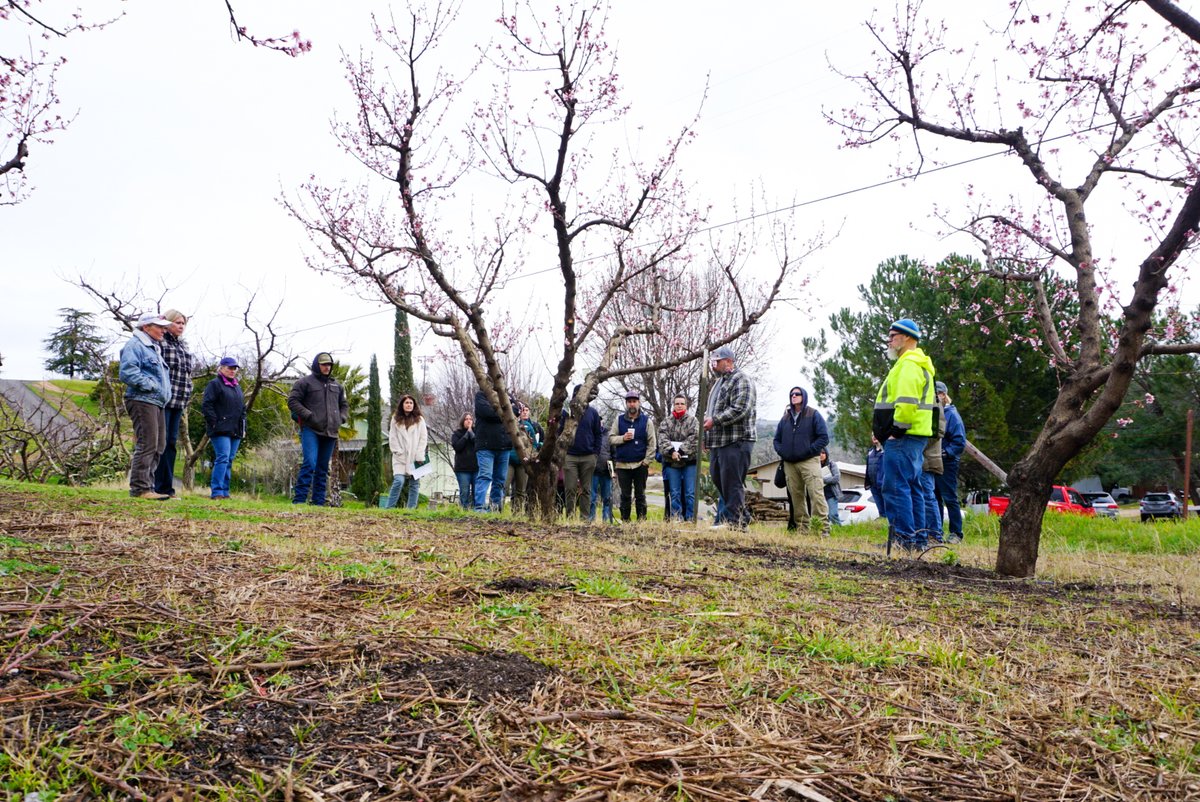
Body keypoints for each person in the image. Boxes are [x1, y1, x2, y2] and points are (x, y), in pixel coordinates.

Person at [872, 319, 937, 554]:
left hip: (903, 437)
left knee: (896, 487)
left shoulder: (908, 364)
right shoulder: (915, 363)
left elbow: (907, 402)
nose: (889, 340)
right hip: (914, 436)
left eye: (892, 335)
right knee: (912, 486)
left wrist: (895, 431)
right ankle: (917, 539)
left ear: (908, 337)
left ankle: (903, 538)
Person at [118, 312, 173, 500]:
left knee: (159, 445)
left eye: (164, 327)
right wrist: (150, 385)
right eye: (159, 327)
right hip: (142, 399)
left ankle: (149, 487)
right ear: (146, 327)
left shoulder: (153, 348)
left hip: (157, 402)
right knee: (147, 443)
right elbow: (127, 372)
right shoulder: (135, 345)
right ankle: (140, 489)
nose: (163, 331)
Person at [704, 345, 757, 529]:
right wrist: (707, 437)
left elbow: (740, 409)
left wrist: (714, 421)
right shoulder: (720, 383)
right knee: (719, 479)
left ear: (728, 361)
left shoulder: (742, 380)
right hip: (719, 442)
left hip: (737, 440)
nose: (713, 366)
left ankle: (734, 522)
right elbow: (710, 411)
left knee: (732, 482)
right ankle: (742, 517)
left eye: (716, 362)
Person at [288, 352, 349, 506]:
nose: (326, 367)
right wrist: (308, 415)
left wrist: (341, 418)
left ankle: (318, 503)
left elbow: (344, 405)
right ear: (317, 365)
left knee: (322, 468)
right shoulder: (304, 383)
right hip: (311, 429)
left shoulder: (337, 386)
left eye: (329, 364)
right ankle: (299, 501)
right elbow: (293, 401)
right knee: (310, 463)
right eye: (323, 364)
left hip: (331, 432)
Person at [772, 386, 830, 535]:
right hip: (789, 463)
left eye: (797, 394)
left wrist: (809, 451)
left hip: (809, 461)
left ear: (803, 396)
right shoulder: (785, 418)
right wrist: (782, 452)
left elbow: (824, 437)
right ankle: (802, 529)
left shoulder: (813, 414)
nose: (794, 396)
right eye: (792, 394)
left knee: (816, 495)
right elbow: (776, 440)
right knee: (796, 498)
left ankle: (821, 529)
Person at [154, 309, 194, 498]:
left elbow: (186, 374)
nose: (180, 326)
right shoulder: (159, 343)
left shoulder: (183, 347)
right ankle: (155, 486)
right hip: (163, 400)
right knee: (159, 442)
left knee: (171, 443)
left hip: (179, 402)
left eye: (183, 323)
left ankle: (166, 488)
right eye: (177, 322)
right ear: (168, 323)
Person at [201, 357, 246, 500]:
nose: (232, 371)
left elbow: (242, 409)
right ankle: (217, 491)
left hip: (235, 429)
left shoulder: (237, 387)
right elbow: (207, 405)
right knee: (223, 458)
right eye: (229, 368)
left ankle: (225, 492)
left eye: (234, 368)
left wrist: (243, 426)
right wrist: (214, 423)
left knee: (229, 459)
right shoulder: (214, 384)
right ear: (221, 368)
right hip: (220, 429)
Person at [610, 390, 657, 522]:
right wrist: (623, 438)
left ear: (639, 403)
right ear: (626, 404)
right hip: (622, 464)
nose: (632, 404)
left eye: (634, 401)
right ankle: (625, 521)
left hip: (640, 464)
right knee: (625, 495)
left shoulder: (647, 421)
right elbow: (611, 439)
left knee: (640, 495)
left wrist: (647, 461)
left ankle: (641, 521)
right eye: (629, 402)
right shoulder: (618, 420)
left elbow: (652, 443)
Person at [473, 389, 520, 512]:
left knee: (500, 479)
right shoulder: (482, 395)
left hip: (504, 446)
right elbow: (486, 413)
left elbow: (516, 410)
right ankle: (480, 508)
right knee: (485, 476)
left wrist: (500, 411)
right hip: (485, 445)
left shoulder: (507, 396)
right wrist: (505, 412)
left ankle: (495, 508)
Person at [563, 383, 604, 517]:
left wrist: (595, 454)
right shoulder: (568, 412)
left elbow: (598, 434)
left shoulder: (593, 413)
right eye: (577, 394)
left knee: (586, 489)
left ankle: (585, 519)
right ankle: (570, 516)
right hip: (570, 456)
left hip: (588, 456)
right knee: (570, 488)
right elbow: (559, 432)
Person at [658, 394, 699, 521]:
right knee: (674, 493)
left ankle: (690, 518)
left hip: (689, 462)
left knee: (690, 493)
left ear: (686, 405)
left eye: (682, 403)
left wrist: (681, 451)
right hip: (672, 463)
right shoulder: (666, 422)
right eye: (677, 404)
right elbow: (662, 438)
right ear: (674, 405)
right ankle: (676, 518)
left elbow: (695, 438)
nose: (679, 406)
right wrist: (672, 452)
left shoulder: (693, 421)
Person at [935, 382, 966, 543]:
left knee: (949, 497)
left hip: (947, 463)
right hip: (933, 461)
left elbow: (960, 441)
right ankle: (936, 531)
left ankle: (956, 533)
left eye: (935, 394)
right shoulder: (935, 413)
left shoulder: (952, 415)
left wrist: (946, 453)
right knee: (935, 498)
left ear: (942, 395)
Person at [386, 394, 428, 509]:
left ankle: (411, 509)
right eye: (406, 402)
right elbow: (392, 437)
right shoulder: (395, 419)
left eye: (411, 403)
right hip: (400, 457)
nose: (409, 405)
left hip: (416, 457)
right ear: (402, 405)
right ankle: (389, 508)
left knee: (414, 484)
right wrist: (398, 451)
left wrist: (420, 455)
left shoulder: (420, 420)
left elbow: (423, 438)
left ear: (414, 405)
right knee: (398, 481)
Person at [919, 396, 947, 544]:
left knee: (927, 497)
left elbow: (939, 431)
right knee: (924, 496)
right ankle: (926, 532)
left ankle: (935, 534)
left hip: (927, 459)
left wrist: (916, 447)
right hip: (922, 458)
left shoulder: (933, 401)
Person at [508, 403, 544, 513]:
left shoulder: (535, 426)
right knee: (508, 487)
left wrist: (531, 456)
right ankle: (503, 510)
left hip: (525, 461)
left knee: (523, 489)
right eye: (522, 410)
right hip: (510, 459)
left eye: (526, 410)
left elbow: (536, 443)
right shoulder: (511, 424)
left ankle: (520, 513)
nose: (524, 412)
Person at [451, 412, 477, 510]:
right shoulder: (456, 434)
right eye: (466, 419)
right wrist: (466, 435)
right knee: (464, 492)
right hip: (462, 469)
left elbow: (478, 445)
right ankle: (464, 511)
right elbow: (457, 447)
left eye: (470, 419)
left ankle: (476, 511)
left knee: (477, 492)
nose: (469, 421)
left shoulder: (477, 432)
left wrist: (472, 434)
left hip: (476, 468)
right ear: (462, 421)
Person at [590, 434, 615, 523]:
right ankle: (591, 520)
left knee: (607, 498)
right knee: (592, 498)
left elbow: (614, 453)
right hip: (593, 472)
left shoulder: (608, 437)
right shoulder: (590, 435)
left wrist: (613, 469)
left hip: (606, 472)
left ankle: (606, 520)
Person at [865, 434, 887, 521]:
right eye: (872, 435)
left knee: (888, 509)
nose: (874, 437)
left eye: (876, 434)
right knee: (881, 511)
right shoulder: (870, 452)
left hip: (884, 485)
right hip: (873, 486)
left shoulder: (886, 451)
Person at [821, 449, 843, 527]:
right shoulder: (815, 466)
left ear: (826, 454)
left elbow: (836, 478)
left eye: (823, 453)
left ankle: (840, 530)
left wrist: (822, 480)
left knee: (833, 514)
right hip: (820, 495)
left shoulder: (831, 464)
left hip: (831, 494)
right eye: (819, 453)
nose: (821, 455)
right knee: (824, 517)